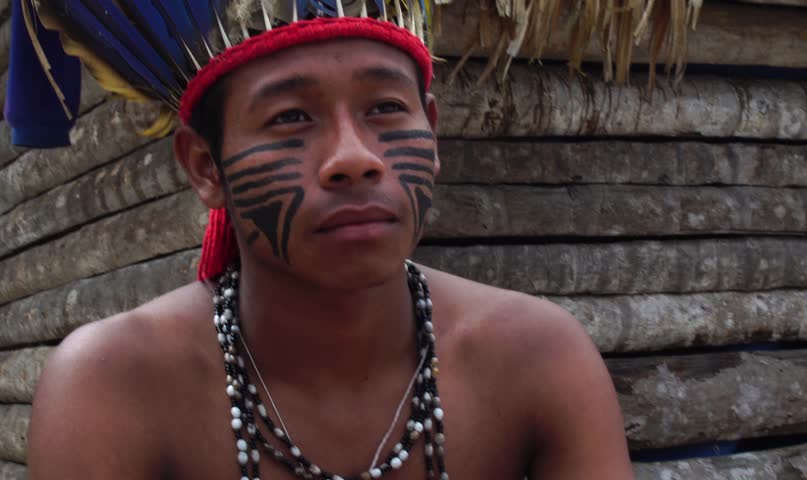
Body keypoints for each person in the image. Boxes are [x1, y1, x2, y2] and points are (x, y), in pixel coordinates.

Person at [20, 3, 633, 479]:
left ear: (434, 132)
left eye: (386, 108)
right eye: (290, 117)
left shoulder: (539, 357)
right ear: (206, 167)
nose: (354, 157)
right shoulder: (112, 385)